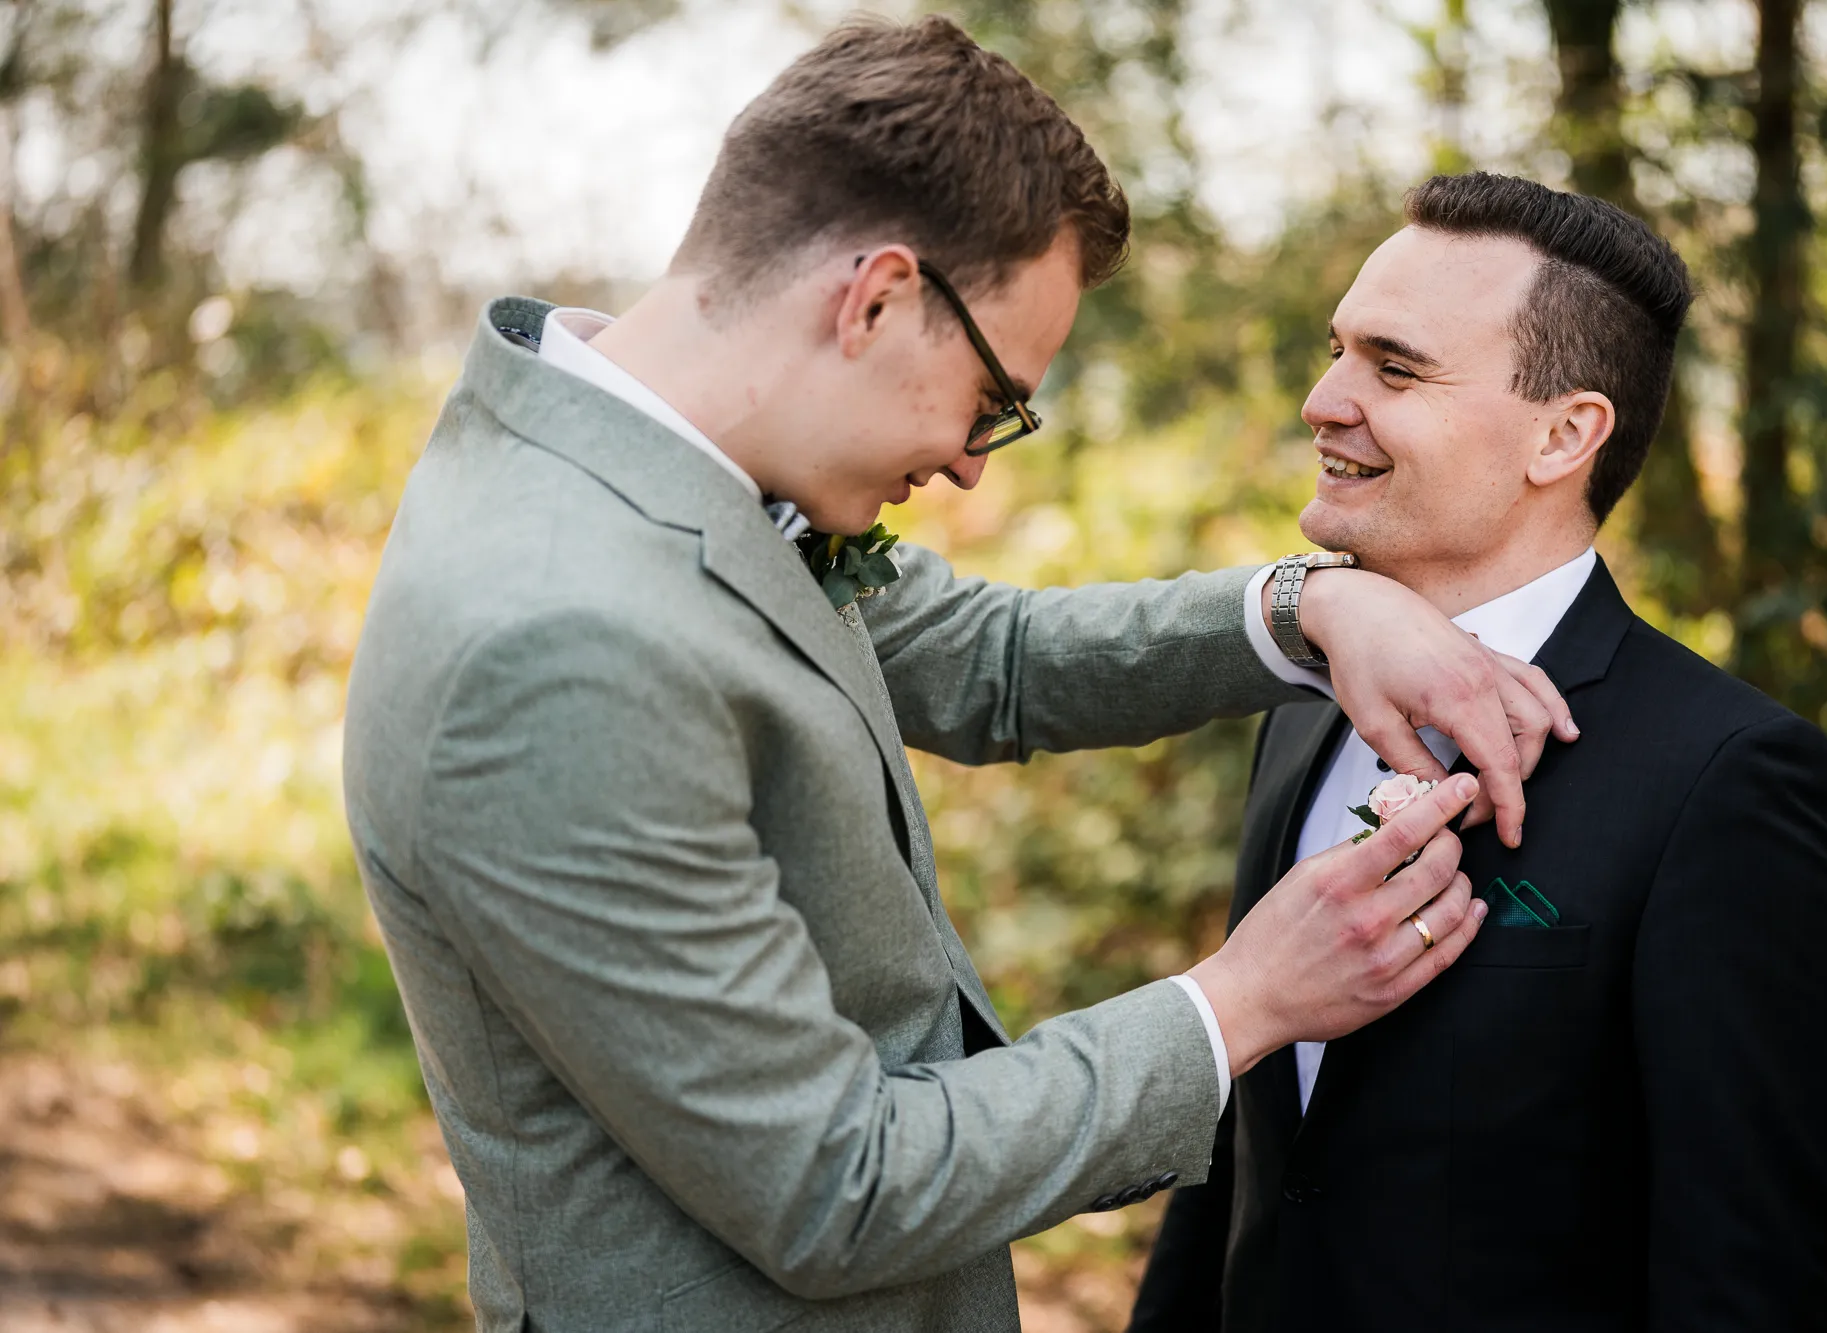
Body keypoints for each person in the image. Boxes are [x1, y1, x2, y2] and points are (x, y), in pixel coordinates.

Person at [340, 23, 1578, 1333]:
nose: (975, 463)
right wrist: (1242, 1000)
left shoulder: (657, 469)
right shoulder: (559, 643)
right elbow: (836, 1185)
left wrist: (1308, 604)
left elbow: (988, 658)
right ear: (875, 299)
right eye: (993, 399)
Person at [1130, 171, 1827, 1333]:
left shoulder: (1729, 783)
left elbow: (1748, 1281)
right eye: (1335, 352)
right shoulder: (1305, 707)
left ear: (1562, 435)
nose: (1321, 401)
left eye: (1393, 367)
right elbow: (1242, 1153)